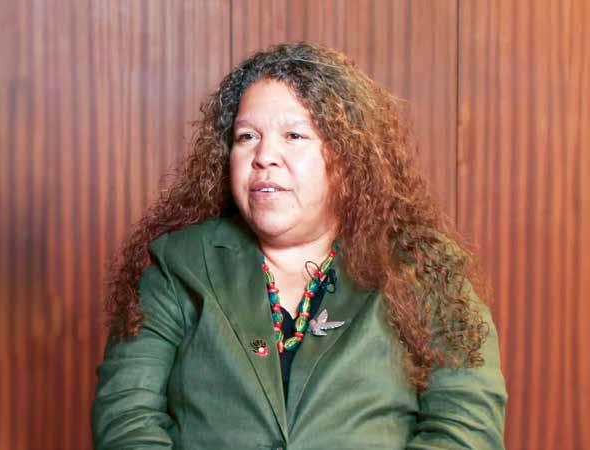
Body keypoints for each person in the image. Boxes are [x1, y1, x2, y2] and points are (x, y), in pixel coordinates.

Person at [91, 41, 507, 450]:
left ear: (348, 156)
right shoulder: (176, 264)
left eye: (293, 135)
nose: (264, 156)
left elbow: (465, 430)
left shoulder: (422, 268)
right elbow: (127, 419)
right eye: (247, 136)